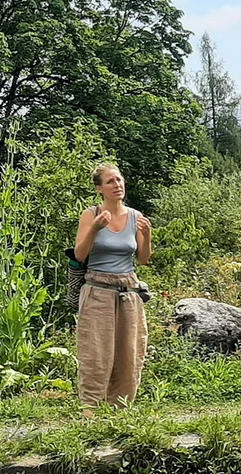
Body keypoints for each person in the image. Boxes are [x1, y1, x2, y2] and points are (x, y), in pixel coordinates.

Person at [74, 163, 152, 407]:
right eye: (110, 182)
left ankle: (120, 408)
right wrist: (95, 229)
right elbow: (79, 255)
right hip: (98, 289)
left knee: (129, 352)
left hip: (128, 290)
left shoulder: (135, 216)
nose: (117, 185)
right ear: (99, 189)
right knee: (96, 353)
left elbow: (143, 259)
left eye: (119, 180)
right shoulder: (91, 215)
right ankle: (90, 408)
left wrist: (147, 235)